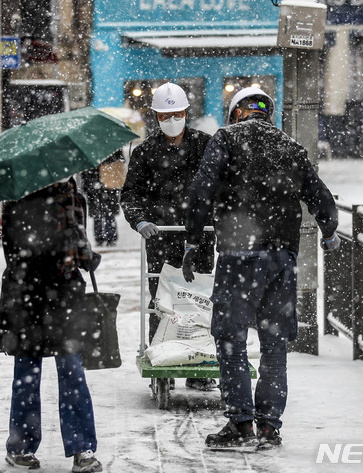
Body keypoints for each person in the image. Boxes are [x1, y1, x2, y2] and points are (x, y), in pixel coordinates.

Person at [182, 87, 340, 450]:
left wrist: (193, 239)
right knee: (274, 345)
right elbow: (321, 197)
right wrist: (328, 231)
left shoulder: (225, 139)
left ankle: (240, 424)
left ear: (237, 113)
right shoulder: (291, 147)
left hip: (240, 256)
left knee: (231, 340)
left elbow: (201, 191)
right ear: (269, 114)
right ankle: (269, 425)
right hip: (282, 259)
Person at [0, 177, 104, 473]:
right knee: (71, 371)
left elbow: (11, 249)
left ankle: (21, 447)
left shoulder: (14, 194)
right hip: (61, 294)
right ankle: (82, 449)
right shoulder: (68, 196)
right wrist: (90, 259)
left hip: (23, 295)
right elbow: (80, 252)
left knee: (27, 372)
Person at [120, 81, 216, 391]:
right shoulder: (146, 150)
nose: (171, 120)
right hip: (161, 239)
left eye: (176, 114)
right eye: (164, 115)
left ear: (187, 112)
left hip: (198, 238)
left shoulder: (206, 145)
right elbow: (130, 194)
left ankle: (197, 363)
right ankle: (162, 361)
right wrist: (140, 221)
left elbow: (221, 187)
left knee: (198, 301)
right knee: (162, 302)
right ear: (156, 117)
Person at [81, 150, 125, 247]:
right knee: (105, 213)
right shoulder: (111, 149)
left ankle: (104, 237)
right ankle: (107, 237)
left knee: (103, 214)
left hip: (102, 185)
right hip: (103, 185)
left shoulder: (90, 152)